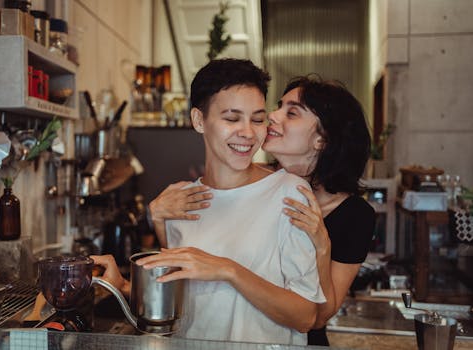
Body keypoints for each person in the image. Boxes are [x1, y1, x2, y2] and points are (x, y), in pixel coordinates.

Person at [93, 59, 325, 345]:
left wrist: (229, 270)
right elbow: (186, 304)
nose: (248, 133)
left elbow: (305, 316)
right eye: (231, 118)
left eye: (257, 119)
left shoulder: (289, 194)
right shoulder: (179, 200)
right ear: (199, 120)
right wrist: (122, 287)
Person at [150, 75, 375, 346]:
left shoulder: (349, 214)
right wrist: (160, 219)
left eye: (290, 113)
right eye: (276, 107)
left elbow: (315, 318)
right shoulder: (250, 187)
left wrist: (322, 246)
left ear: (321, 140)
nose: (272, 116)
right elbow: (188, 285)